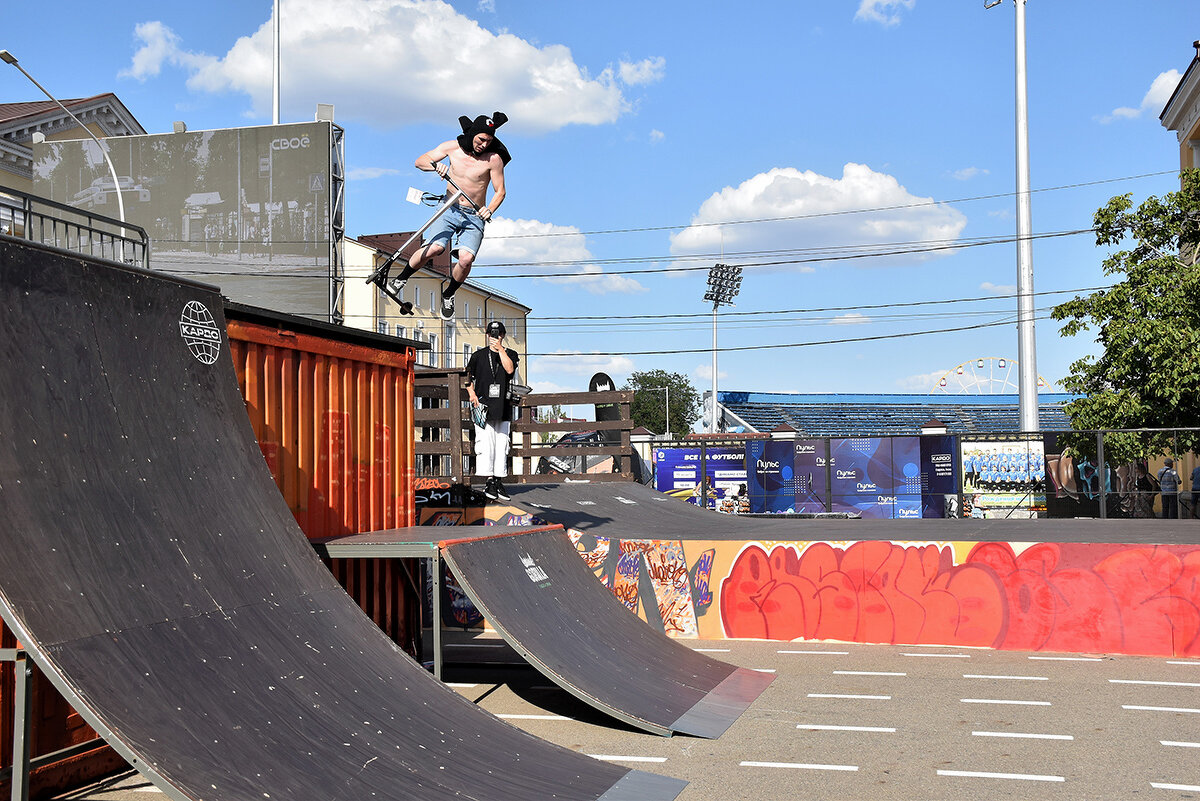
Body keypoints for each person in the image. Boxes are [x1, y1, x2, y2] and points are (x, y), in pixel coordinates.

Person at [377, 112, 510, 320]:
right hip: (449, 207)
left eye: (489, 141)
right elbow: (420, 161)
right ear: (473, 133)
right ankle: (401, 279)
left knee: (466, 260)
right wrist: (434, 166)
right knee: (436, 248)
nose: (484, 145)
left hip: (474, 215)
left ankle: (448, 294)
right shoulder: (452, 148)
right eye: (481, 139)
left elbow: (500, 191)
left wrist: (489, 209)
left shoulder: (493, 159)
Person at [466, 320, 519, 500]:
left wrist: (501, 350)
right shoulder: (478, 356)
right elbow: (467, 377)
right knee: (485, 443)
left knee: (502, 444)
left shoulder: (511, 354)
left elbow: (510, 369)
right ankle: (489, 480)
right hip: (482, 405)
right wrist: (472, 394)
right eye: (491, 334)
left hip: (503, 406)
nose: (494, 337)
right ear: (487, 335)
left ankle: (498, 480)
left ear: (503, 336)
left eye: (497, 334)